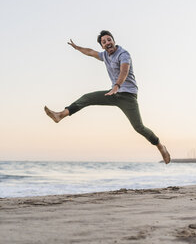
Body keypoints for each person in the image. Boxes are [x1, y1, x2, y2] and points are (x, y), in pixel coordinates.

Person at [44, 30, 171, 164]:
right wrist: (77, 48)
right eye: (104, 42)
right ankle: (60, 115)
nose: (107, 43)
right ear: (102, 46)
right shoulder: (104, 55)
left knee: (138, 127)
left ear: (114, 41)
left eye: (109, 40)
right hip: (114, 93)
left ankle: (160, 146)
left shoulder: (123, 54)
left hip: (128, 96)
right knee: (87, 98)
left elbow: (124, 71)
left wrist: (117, 86)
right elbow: (90, 52)